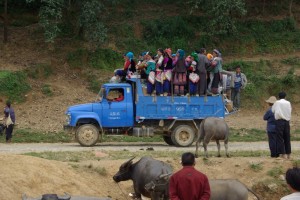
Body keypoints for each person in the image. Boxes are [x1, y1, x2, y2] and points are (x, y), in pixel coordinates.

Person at [272, 91, 292, 159]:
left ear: (278, 97)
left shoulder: (277, 102)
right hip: (287, 121)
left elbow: (273, 110)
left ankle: (283, 154)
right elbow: (290, 111)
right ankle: (288, 153)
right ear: (285, 96)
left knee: (280, 138)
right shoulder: (288, 103)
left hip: (279, 121)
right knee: (287, 137)